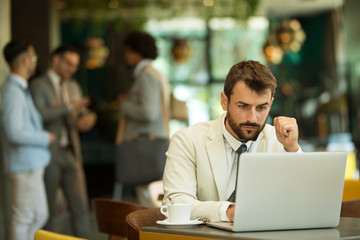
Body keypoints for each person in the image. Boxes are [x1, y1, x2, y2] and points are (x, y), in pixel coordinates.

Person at [162, 60, 301, 223]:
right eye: (243, 106)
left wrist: (293, 149)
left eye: (261, 108)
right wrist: (228, 212)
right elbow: (176, 202)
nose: (252, 118)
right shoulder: (187, 141)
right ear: (224, 101)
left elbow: (304, 201)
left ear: (270, 104)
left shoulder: (281, 141)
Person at [29, 44, 96, 237]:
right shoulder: (38, 85)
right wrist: (67, 107)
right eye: (68, 63)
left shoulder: (73, 86)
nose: (72, 69)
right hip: (48, 154)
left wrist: (89, 118)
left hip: (71, 151)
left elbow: (82, 111)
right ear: (55, 59)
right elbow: (38, 115)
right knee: (47, 210)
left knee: (81, 207)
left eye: (75, 65)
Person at [0, 40, 56, 240]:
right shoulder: (12, 92)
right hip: (24, 165)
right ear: (25, 60)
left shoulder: (20, 88)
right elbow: (14, 133)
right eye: (33, 57)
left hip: (32, 163)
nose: (35, 61)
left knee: (39, 215)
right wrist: (45, 137)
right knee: (22, 218)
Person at [115, 31, 170, 206]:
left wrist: (124, 105)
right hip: (151, 143)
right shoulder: (155, 73)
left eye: (128, 51)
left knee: (147, 200)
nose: (126, 55)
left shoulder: (146, 75)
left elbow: (148, 112)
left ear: (135, 51)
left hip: (144, 144)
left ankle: (147, 233)